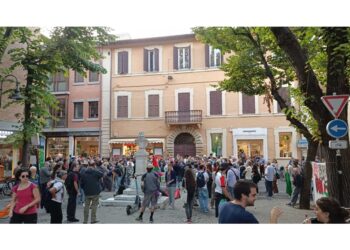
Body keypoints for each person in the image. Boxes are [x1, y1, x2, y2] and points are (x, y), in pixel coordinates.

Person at [219, 180, 283, 223]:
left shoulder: (223, 205)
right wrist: (273, 217)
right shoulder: (246, 216)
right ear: (243, 195)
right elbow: (223, 188)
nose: (255, 198)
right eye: (253, 195)